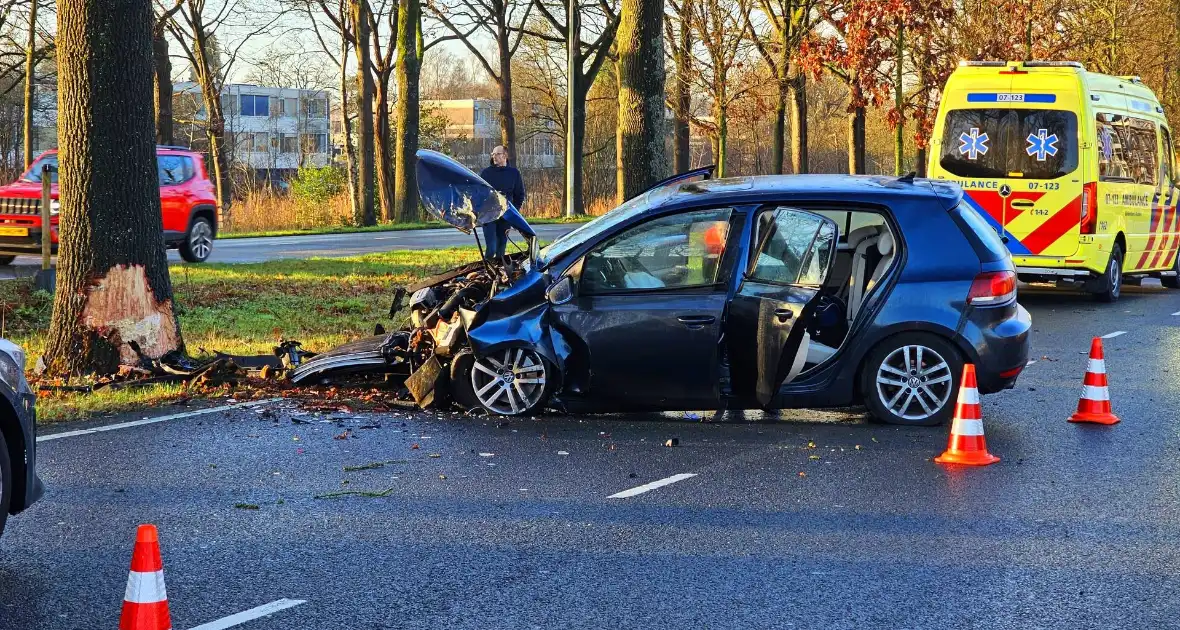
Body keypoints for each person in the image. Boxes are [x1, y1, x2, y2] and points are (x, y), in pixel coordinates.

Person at [479, 145, 525, 259]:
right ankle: (487, 270)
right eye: (493, 154)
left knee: (501, 248)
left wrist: (514, 212)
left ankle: (499, 273)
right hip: (488, 215)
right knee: (491, 248)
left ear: (505, 155)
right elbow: (479, 193)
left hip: (505, 215)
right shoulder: (486, 173)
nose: (494, 156)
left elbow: (519, 194)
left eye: (497, 154)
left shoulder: (514, 173)